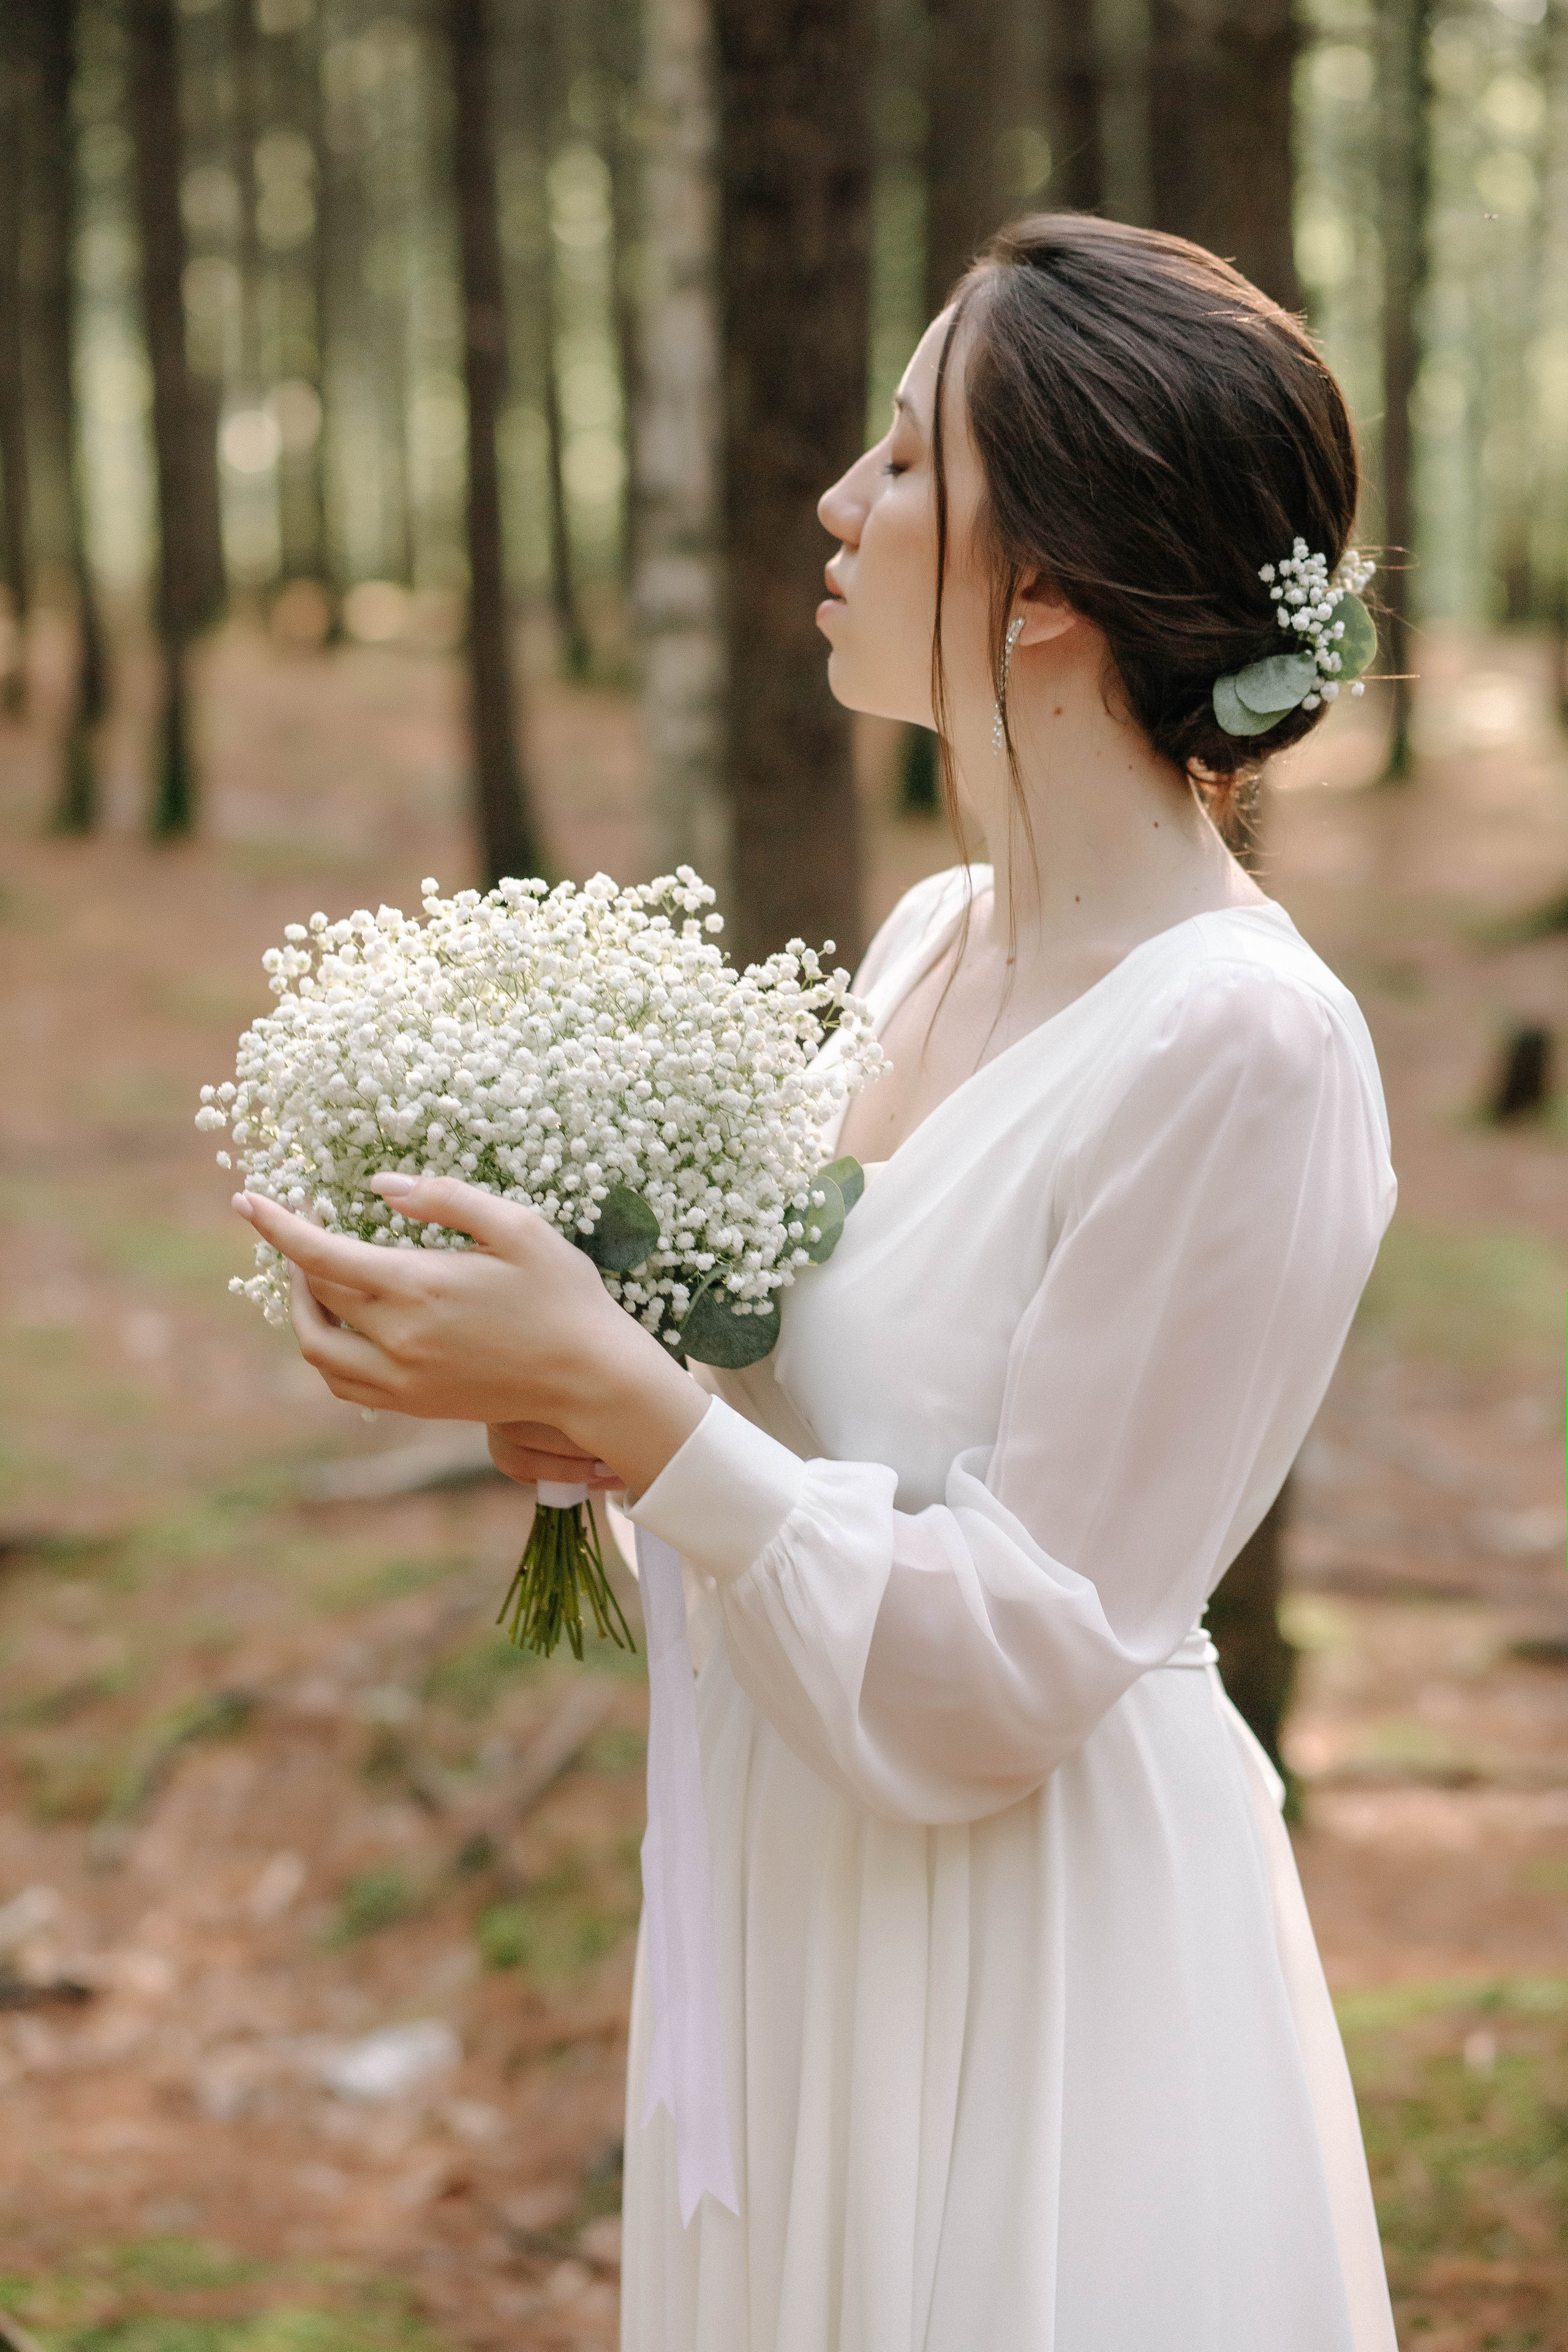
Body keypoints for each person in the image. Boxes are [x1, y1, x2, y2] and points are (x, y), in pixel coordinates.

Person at [238, 216, 1399, 2351]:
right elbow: (792, 1443)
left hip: (1024, 1958)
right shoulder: (934, 940)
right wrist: (541, 1379)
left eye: (899, 460)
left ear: (1047, 583)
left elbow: (1015, 1660)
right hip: (805, 1891)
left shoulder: (1246, 1044)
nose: (836, 506)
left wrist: (650, 1415)